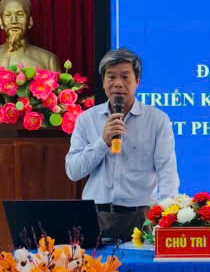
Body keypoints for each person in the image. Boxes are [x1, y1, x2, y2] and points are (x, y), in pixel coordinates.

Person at [65, 47, 179, 242]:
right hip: (96, 215)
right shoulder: (86, 119)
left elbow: (167, 172)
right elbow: (73, 171)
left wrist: (164, 217)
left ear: (137, 81)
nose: (118, 83)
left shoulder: (157, 120)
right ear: (103, 82)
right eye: (111, 77)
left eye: (125, 77)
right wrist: (102, 142)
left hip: (141, 217)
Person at [0, 0, 59, 73]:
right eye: (8, 15)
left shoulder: (48, 60)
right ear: (0, 22)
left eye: (20, 15)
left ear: (30, 21)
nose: (14, 21)